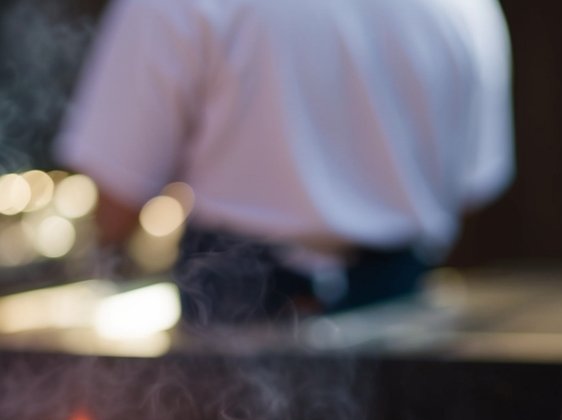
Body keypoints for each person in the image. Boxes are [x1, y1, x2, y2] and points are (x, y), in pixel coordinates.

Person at [54, 0, 515, 326]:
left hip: (236, 314)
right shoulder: (467, 7)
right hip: (402, 310)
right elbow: (473, 187)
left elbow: (117, 199)